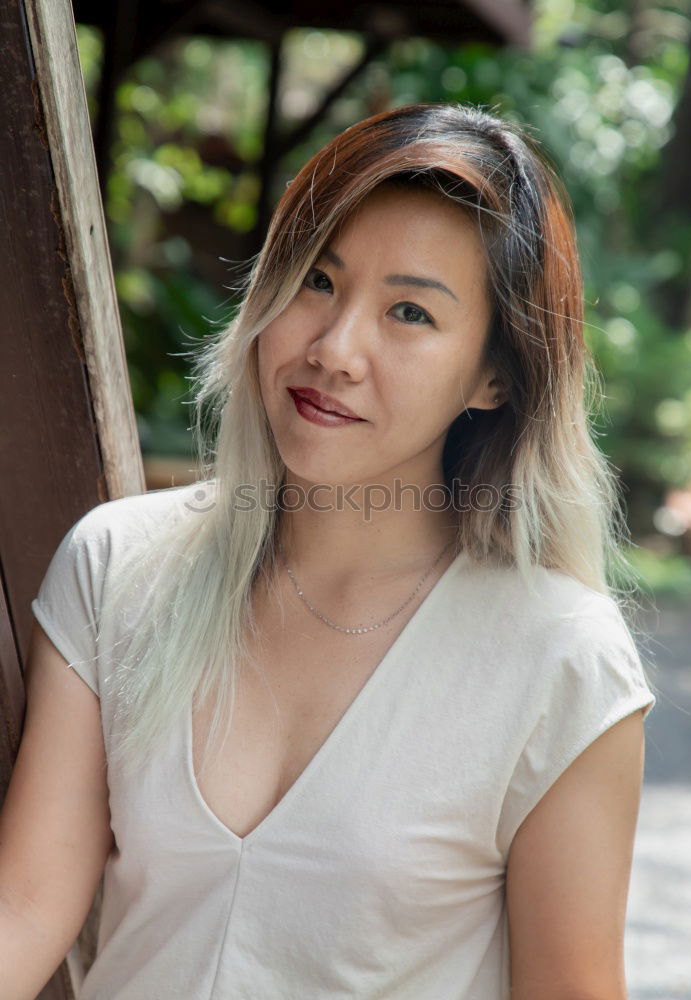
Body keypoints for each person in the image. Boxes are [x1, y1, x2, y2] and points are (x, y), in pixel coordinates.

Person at [0, 102, 655, 999]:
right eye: (317, 280)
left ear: (495, 376)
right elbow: (28, 905)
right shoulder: (121, 567)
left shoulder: (560, 662)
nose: (336, 349)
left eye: (410, 314)